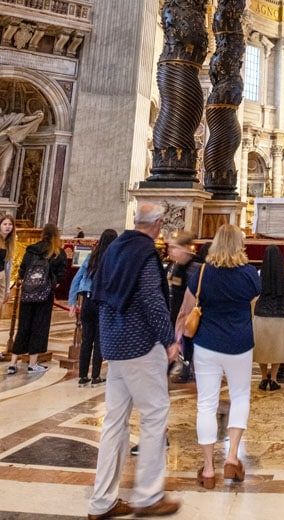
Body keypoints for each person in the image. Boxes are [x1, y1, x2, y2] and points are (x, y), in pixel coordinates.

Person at [87, 202, 181, 519]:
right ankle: (148, 496)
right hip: (140, 345)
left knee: (114, 422)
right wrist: (169, 340)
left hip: (114, 345)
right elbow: (153, 300)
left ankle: (102, 501)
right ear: (156, 224)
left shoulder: (115, 248)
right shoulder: (145, 253)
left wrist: (107, 337)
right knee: (155, 416)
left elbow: (99, 294)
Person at [176, 224, 260, 489]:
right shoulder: (249, 274)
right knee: (240, 397)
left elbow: (187, 308)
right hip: (239, 344)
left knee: (206, 404)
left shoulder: (201, 273)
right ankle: (233, 458)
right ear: (239, 245)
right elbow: (253, 302)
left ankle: (209, 468)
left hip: (207, 345)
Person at [7, 223, 66, 375]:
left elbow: (21, 271)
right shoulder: (57, 253)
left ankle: (13, 363)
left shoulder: (31, 249)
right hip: (44, 295)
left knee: (23, 326)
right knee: (38, 327)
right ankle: (33, 364)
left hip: (27, 293)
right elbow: (60, 275)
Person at [68, 229, 118, 386]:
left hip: (88, 302)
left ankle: (83, 376)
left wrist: (72, 301)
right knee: (99, 341)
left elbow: (77, 279)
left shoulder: (92, 257)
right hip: (102, 303)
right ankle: (95, 375)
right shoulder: (113, 259)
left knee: (86, 340)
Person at [253, 244, 284, 391]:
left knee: (262, 348)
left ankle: (263, 378)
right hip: (279, 315)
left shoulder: (259, 273)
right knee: (277, 348)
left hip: (261, 314)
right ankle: (274, 379)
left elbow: (256, 293)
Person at [166, 231, 200, 383]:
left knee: (186, 341)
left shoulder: (193, 267)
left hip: (187, 312)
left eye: (175, 247)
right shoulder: (176, 266)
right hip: (175, 310)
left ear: (186, 248)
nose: (171, 251)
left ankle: (185, 371)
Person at [0, 213, 16, 305]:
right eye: (5, 224)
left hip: (2, 276)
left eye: (10, 224)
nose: (7, 227)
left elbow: (8, 267)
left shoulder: (9, 243)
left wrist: (7, 289)